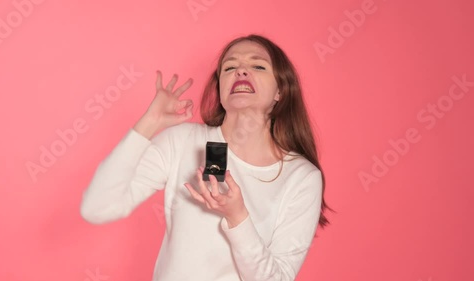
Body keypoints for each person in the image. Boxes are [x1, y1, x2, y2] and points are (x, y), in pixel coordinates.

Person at [80, 34, 331, 281]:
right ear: (221, 89)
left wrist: (237, 217)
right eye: (230, 67)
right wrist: (149, 123)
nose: (241, 71)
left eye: (257, 65)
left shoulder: (301, 176)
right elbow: (97, 208)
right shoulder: (184, 141)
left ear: (281, 91)